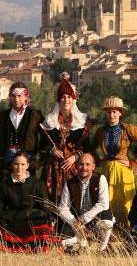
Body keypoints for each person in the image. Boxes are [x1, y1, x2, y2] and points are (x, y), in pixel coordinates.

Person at [94, 96, 137, 227]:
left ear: (120, 113)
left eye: (114, 111)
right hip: (107, 170)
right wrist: (98, 161)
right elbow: (90, 149)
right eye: (109, 112)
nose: (111, 115)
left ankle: (129, 234)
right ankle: (111, 235)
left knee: (126, 203)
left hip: (123, 170)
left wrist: (134, 162)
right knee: (107, 202)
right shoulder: (100, 131)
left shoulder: (129, 129)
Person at [40, 73, 94, 203]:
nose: (66, 100)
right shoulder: (49, 121)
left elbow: (87, 148)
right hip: (52, 171)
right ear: (59, 100)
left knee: (74, 202)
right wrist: (51, 151)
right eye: (63, 97)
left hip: (75, 169)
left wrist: (74, 157)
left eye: (69, 97)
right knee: (53, 204)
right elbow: (41, 146)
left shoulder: (82, 122)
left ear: (74, 99)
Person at [0, 151, 59, 252]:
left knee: (43, 223)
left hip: (32, 219)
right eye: (16, 164)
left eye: (22, 164)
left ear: (27, 165)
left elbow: (45, 205)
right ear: (12, 165)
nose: (19, 168)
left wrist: (50, 218)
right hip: (12, 219)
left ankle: (34, 245)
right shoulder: (4, 185)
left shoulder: (37, 183)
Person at [58, 153, 114, 253]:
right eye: (81, 164)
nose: (84, 167)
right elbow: (63, 208)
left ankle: (103, 249)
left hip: (94, 220)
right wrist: (75, 223)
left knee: (107, 218)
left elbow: (103, 204)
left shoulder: (100, 179)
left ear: (93, 166)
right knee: (64, 241)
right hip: (76, 221)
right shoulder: (69, 183)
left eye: (88, 164)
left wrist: (82, 220)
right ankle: (81, 244)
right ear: (76, 166)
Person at [0, 82, 43, 183]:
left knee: (27, 194)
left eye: (19, 96)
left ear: (26, 96)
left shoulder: (35, 115)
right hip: (5, 165)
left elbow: (45, 137)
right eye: (13, 96)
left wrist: (38, 158)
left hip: (28, 164)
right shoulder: (1, 116)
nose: (16, 99)